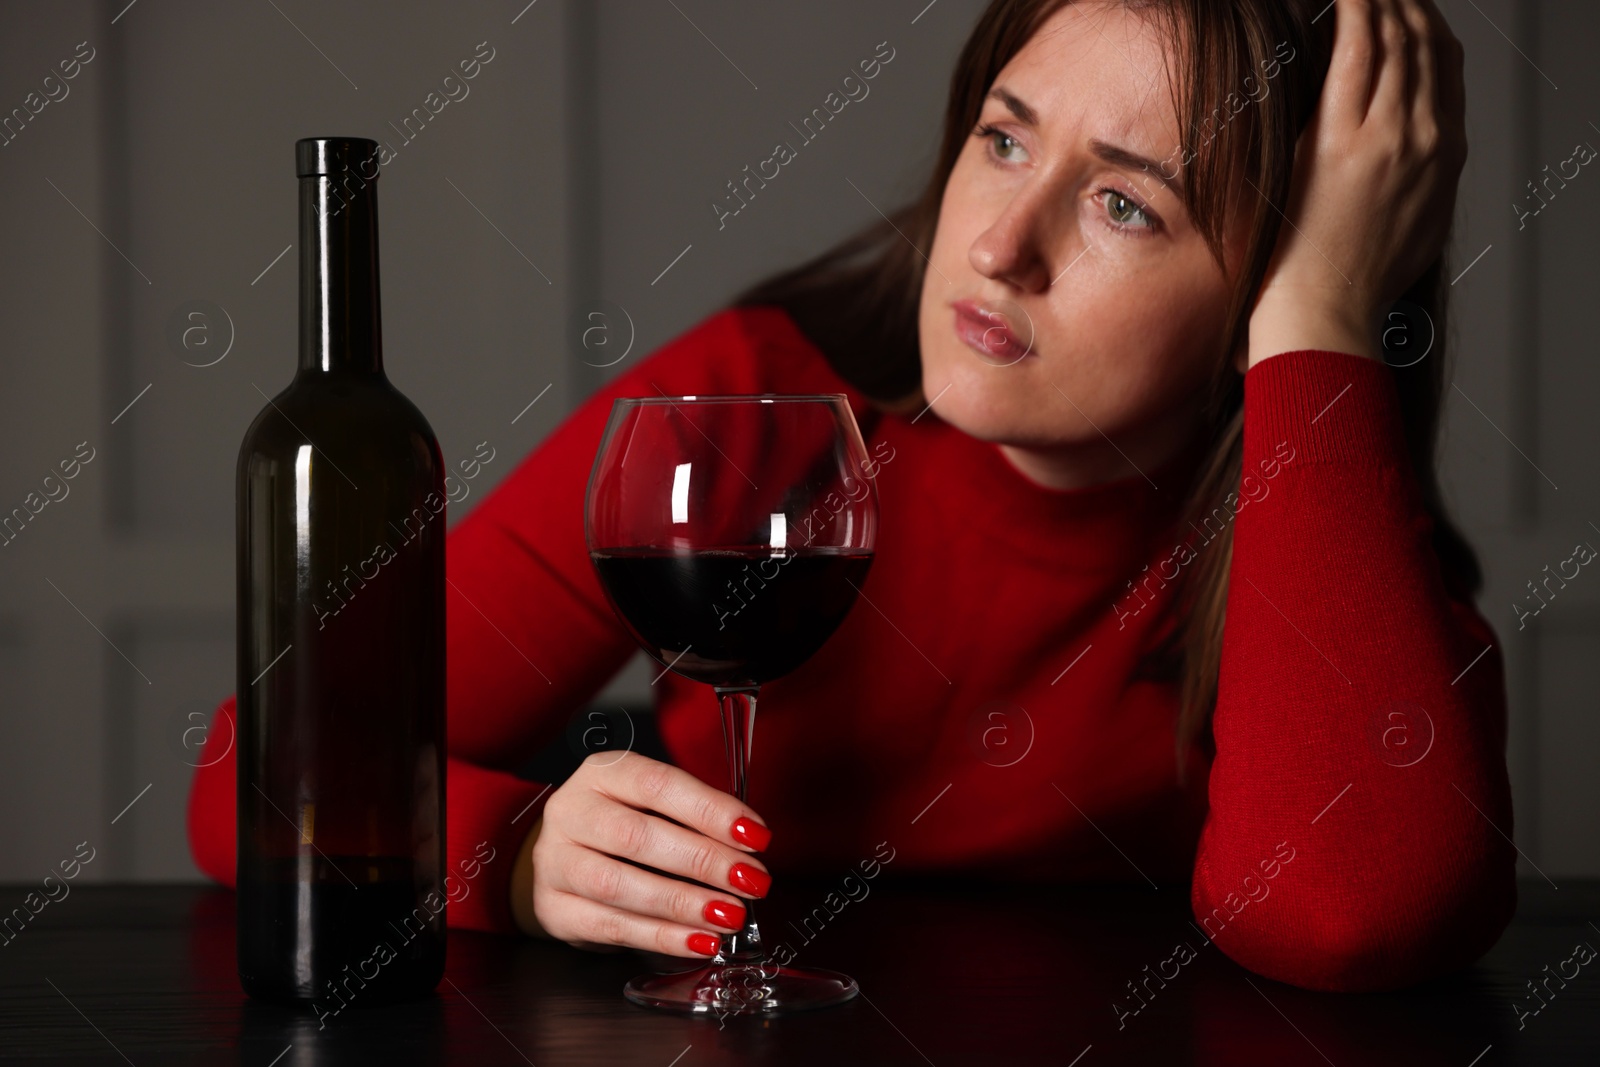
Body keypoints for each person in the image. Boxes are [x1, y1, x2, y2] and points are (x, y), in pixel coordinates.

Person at [188, 0, 1515, 993]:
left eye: (1123, 203)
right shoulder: (749, 406)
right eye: (1004, 139)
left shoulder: (1318, 518)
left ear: (1273, 288)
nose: (998, 245)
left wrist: (1325, 328)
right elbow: (246, 778)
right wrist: (514, 854)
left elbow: (1358, 914)